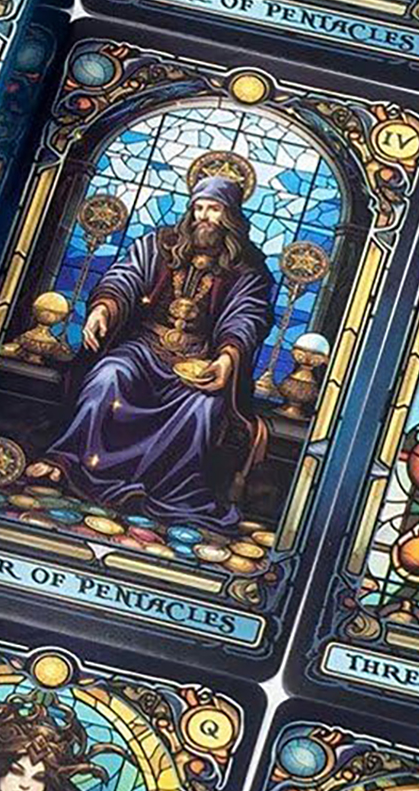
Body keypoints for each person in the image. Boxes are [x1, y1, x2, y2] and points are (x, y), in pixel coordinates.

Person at [25, 174, 275, 528]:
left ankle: (168, 491)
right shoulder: (158, 245)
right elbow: (125, 277)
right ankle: (68, 461)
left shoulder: (247, 267)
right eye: (199, 208)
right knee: (108, 376)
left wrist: (226, 358)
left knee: (204, 408)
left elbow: (247, 315)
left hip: (198, 360)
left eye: (214, 209)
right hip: (143, 349)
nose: (204, 217)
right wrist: (104, 309)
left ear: (231, 214)